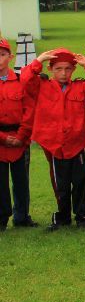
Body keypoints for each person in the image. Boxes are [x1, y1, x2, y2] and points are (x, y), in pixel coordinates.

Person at [22, 48, 85, 230]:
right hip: (53, 143)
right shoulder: (41, 86)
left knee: (81, 180)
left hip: (77, 142)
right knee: (60, 183)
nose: (63, 73)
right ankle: (62, 216)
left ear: (74, 69)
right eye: (58, 69)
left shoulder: (80, 87)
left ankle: (82, 216)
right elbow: (25, 81)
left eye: (68, 68)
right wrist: (37, 61)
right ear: (50, 68)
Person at [0, 35, 36, 230]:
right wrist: (4, 139)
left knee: (21, 180)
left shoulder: (21, 81)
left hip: (20, 139)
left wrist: (22, 136)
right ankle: (1, 217)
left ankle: (22, 216)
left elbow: (29, 110)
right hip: (0, 140)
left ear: (10, 56)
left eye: (2, 54)